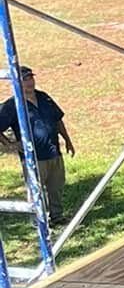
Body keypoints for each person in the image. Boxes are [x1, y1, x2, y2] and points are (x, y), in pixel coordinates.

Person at [0, 65, 74, 224]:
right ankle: (39, 221)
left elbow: (58, 119)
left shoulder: (44, 97)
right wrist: (10, 144)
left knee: (56, 186)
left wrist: (67, 140)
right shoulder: (12, 105)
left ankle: (57, 216)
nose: (29, 82)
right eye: (24, 79)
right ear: (17, 83)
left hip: (53, 151)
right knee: (36, 191)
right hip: (33, 157)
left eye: (30, 78)